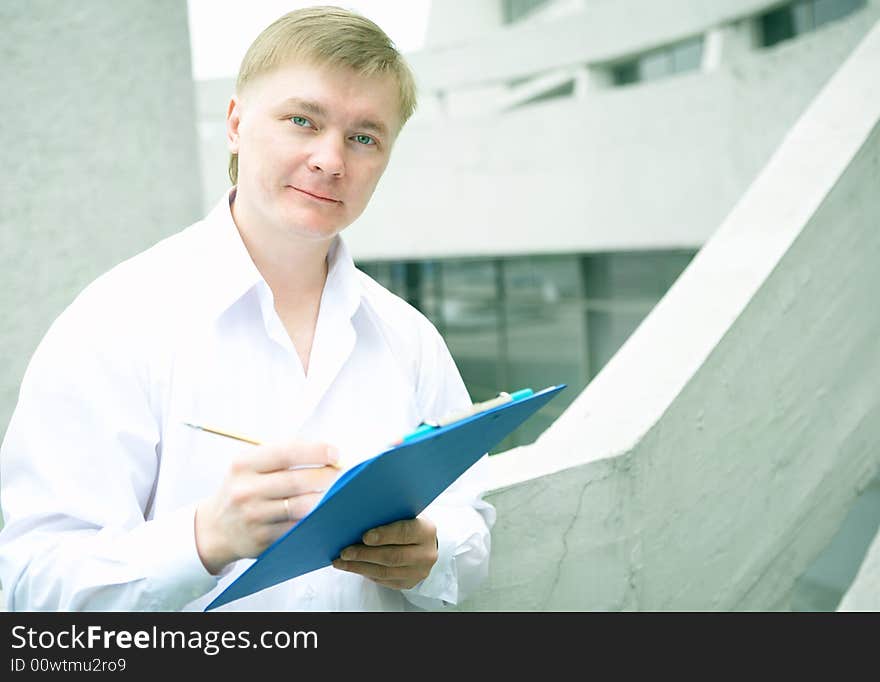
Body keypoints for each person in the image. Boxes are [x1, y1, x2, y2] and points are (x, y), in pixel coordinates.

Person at [0, 6, 495, 611]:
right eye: (302, 121)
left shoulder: (409, 336)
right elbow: (29, 585)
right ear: (236, 123)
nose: (331, 160)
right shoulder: (114, 322)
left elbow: (470, 528)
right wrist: (204, 539)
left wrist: (432, 553)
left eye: (364, 136)